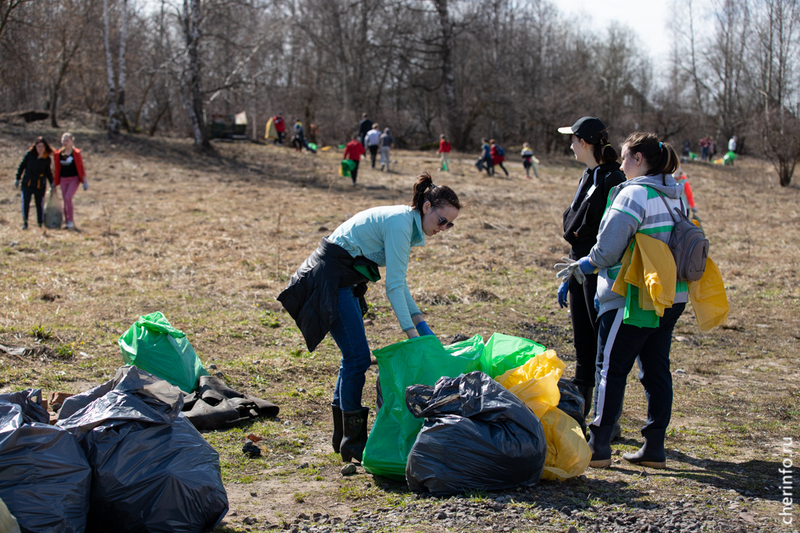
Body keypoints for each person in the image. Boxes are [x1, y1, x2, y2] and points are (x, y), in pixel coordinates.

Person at [277, 173, 462, 463]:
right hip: (331, 279)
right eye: (442, 221)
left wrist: (422, 326)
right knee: (357, 358)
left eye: (450, 224)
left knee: (352, 358)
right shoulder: (401, 224)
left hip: (343, 280)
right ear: (427, 207)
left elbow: (400, 284)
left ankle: (342, 438)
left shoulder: (406, 223)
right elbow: (394, 288)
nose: (444, 228)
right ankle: (352, 441)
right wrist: (413, 338)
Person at [568, 132, 687, 470]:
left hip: (632, 296)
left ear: (638, 159)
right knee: (656, 369)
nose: (620, 165)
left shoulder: (633, 194)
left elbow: (607, 251)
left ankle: (599, 446)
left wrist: (581, 266)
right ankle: (654, 447)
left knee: (610, 368)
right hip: (671, 296)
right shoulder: (676, 195)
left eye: (624, 158)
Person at [556, 117, 626, 418]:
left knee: (602, 348)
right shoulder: (590, 174)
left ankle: (607, 419)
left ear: (583, 142)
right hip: (578, 266)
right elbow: (573, 221)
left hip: (598, 269)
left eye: (572, 140)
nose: (570, 145)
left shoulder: (614, 179)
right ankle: (579, 413)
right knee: (582, 342)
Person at [15, 136, 55, 230]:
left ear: (45, 148)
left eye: (42, 146)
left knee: (39, 204)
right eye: (38, 146)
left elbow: (48, 172)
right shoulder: (29, 155)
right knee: (26, 201)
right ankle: (25, 222)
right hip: (27, 183)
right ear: (35, 147)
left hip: (39, 184)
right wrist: (17, 178)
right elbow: (22, 166)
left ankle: (40, 223)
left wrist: (52, 183)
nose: (40, 148)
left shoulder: (46, 159)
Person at [54, 132, 88, 230]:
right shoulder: (58, 154)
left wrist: (85, 181)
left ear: (71, 141)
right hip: (63, 179)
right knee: (65, 199)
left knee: (68, 197)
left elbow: (81, 167)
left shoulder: (76, 153)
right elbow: (56, 169)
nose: (65, 142)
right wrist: (54, 182)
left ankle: (70, 221)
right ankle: (67, 221)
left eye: (67, 140)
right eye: (63, 140)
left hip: (74, 179)